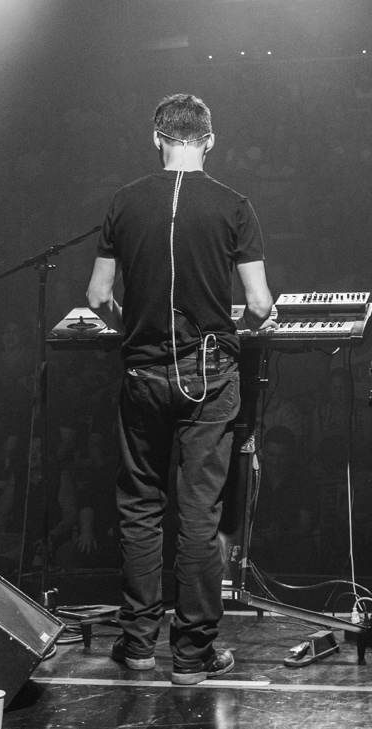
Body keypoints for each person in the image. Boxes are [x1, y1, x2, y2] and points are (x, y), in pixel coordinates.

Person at [86, 94, 274, 685]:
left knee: (141, 505)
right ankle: (191, 656)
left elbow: (97, 296)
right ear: (210, 140)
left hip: (143, 374)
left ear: (157, 138)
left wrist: (131, 327)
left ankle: (139, 645)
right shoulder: (234, 206)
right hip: (208, 377)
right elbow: (260, 304)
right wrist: (236, 330)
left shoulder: (124, 202)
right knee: (199, 512)